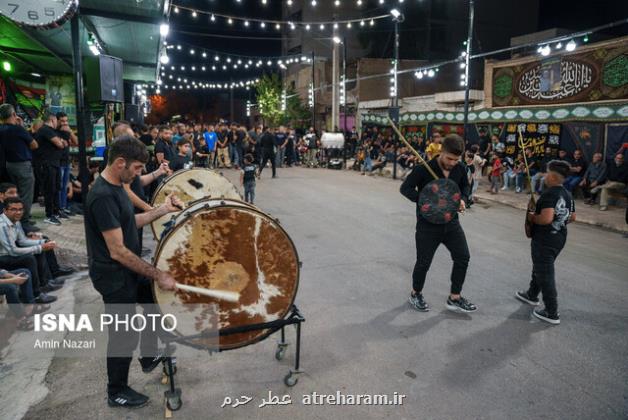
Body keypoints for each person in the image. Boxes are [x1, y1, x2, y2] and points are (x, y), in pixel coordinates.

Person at [84, 135, 182, 408]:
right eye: (137, 168)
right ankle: (116, 390)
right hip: (113, 274)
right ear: (120, 163)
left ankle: (149, 357)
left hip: (127, 267)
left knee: (152, 303)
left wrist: (162, 209)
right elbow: (117, 250)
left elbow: (131, 221)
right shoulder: (102, 196)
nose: (140, 174)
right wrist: (157, 273)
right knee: (123, 334)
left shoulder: (119, 186)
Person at [400, 134, 476, 313]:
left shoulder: (460, 168)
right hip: (428, 225)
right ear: (441, 151)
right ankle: (415, 293)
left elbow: (466, 187)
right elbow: (405, 189)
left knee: (463, 257)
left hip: (451, 223)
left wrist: (464, 200)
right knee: (423, 263)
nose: (452, 163)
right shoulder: (423, 169)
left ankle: (454, 297)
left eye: (456, 159)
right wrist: (425, 199)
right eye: (449, 158)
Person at [515, 160, 576, 325]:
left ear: (552, 176)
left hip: (544, 239)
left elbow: (546, 219)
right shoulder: (567, 194)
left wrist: (532, 217)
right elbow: (572, 217)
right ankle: (531, 294)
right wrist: (560, 221)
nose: (544, 176)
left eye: (546, 173)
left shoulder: (550, 194)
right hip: (559, 238)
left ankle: (551, 311)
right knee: (541, 267)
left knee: (545, 273)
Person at [0, 197, 59, 303]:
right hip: (2, 258)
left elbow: (22, 241)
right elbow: (12, 251)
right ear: (5, 211)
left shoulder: (15, 221)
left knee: (41, 248)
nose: (18, 212)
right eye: (13, 209)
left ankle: (43, 284)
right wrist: (39, 247)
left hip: (9, 254)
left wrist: (42, 243)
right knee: (29, 258)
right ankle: (36, 294)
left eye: (20, 209)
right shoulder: (2, 225)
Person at [0, 104, 39, 231]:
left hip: (8, 165)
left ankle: (14, 219)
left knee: (13, 195)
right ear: (14, 115)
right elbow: (34, 145)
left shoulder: (1, 129)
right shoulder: (18, 129)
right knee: (26, 195)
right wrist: (21, 126)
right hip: (22, 165)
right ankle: (24, 222)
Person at [34, 113, 67, 225]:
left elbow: (64, 143)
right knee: (50, 189)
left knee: (56, 188)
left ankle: (56, 211)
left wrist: (62, 142)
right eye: (57, 120)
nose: (58, 122)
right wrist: (61, 141)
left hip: (54, 163)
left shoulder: (51, 131)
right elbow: (60, 144)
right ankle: (49, 215)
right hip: (47, 164)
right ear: (52, 119)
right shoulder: (45, 130)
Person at [56, 112, 78, 218]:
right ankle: (59, 208)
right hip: (58, 162)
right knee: (59, 186)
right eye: (62, 121)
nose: (65, 123)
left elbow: (76, 142)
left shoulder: (66, 131)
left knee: (64, 186)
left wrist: (70, 131)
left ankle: (63, 207)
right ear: (57, 120)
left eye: (66, 120)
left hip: (66, 162)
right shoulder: (54, 131)